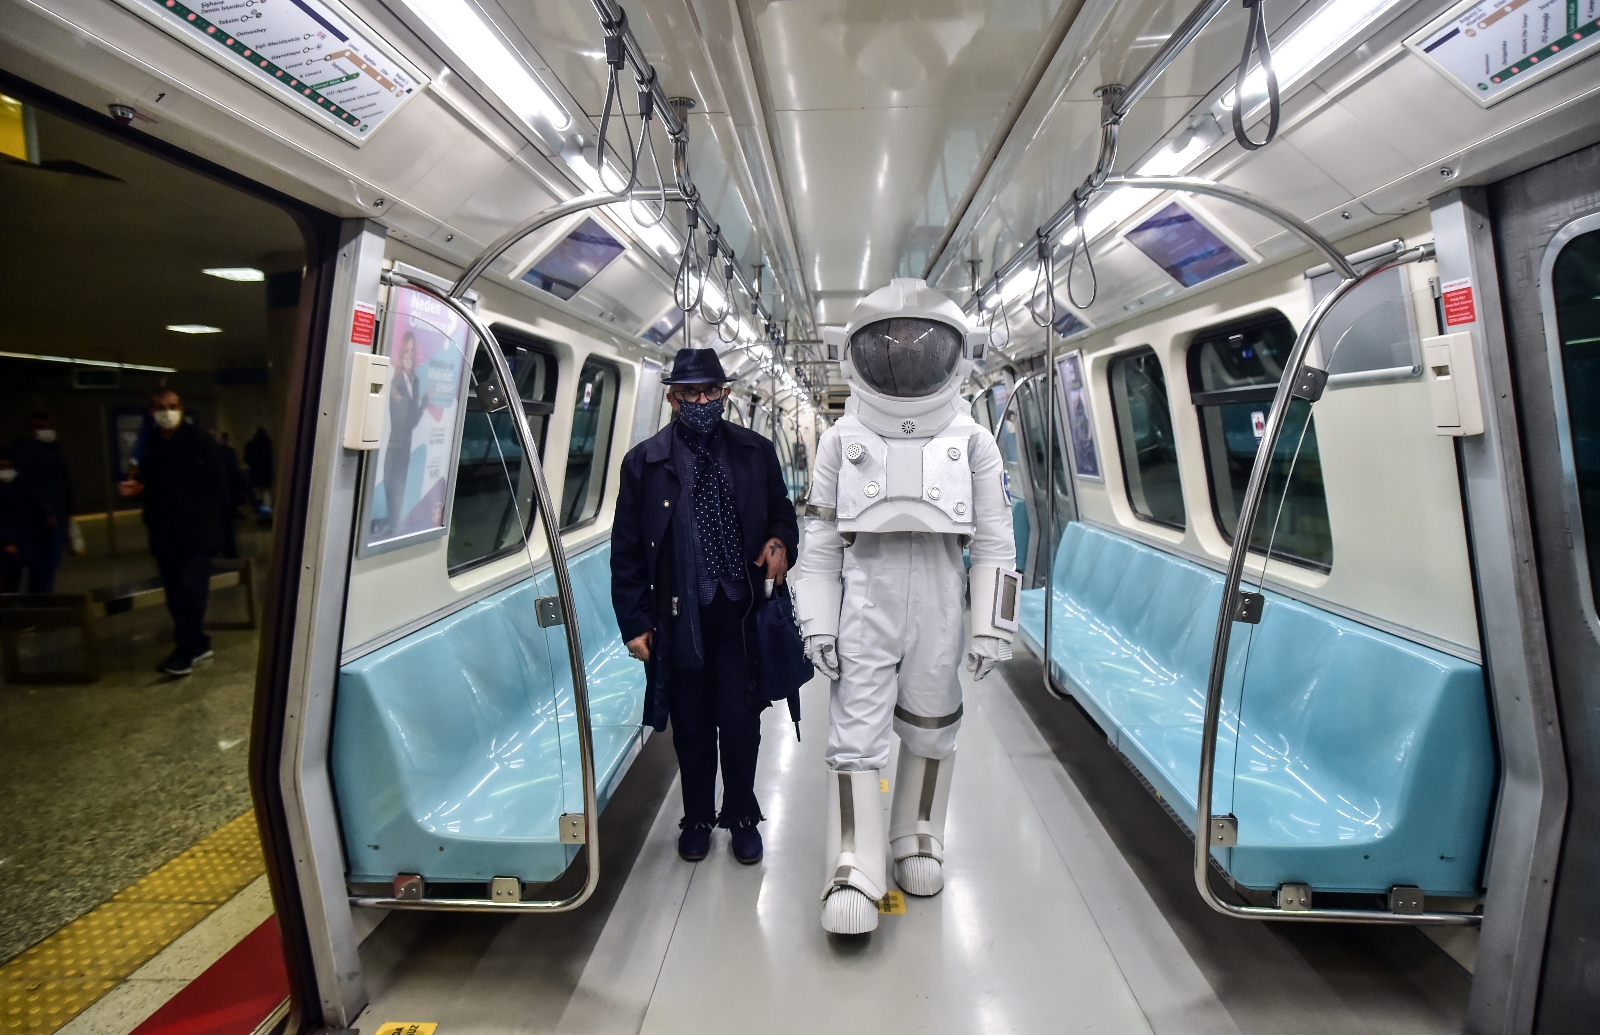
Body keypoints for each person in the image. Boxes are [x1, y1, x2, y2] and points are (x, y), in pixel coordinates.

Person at [791, 278, 1019, 935]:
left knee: (931, 716)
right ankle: (855, 863)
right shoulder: (841, 438)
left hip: (944, 590)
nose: (904, 355)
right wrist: (817, 619)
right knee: (855, 731)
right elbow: (822, 541)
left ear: (955, 353)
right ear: (858, 354)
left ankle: (917, 836)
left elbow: (997, 541)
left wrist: (992, 628)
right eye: (887, 343)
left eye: (918, 343)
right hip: (868, 589)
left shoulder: (974, 439)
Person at [611, 347, 799, 866]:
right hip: (678, 617)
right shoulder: (643, 464)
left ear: (726, 394)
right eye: (689, 393)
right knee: (691, 723)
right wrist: (634, 622)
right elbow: (626, 551)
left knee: (740, 720)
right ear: (672, 397)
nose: (700, 401)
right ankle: (696, 816)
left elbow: (784, 515)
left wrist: (781, 542)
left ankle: (740, 814)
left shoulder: (756, 452)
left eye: (710, 392)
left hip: (741, 616)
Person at [119, 389, 227, 676]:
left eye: (173, 406)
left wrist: (199, 515)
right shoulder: (150, 445)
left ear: (182, 408)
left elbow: (218, 488)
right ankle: (199, 642)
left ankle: (185, 650)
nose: (167, 411)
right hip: (164, 533)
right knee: (175, 594)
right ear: (152, 412)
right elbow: (148, 486)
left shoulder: (200, 442)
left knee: (192, 589)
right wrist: (134, 491)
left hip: (197, 534)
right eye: (161, 407)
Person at [12, 412, 75, 592]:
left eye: (48, 427)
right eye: (40, 427)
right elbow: (29, 485)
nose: (46, 431)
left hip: (58, 513)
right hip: (43, 518)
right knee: (43, 564)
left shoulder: (52, 450)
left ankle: (42, 597)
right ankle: (39, 600)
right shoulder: (27, 452)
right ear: (30, 429)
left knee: (50, 562)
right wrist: (45, 512)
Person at [381, 330, 429, 535]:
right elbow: (402, 422)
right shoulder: (395, 383)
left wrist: (425, 400)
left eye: (412, 350)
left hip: (405, 447)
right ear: (400, 354)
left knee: (399, 490)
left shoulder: (415, 382)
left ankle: (393, 527)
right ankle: (392, 526)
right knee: (392, 487)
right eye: (405, 350)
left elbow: (413, 421)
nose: (409, 355)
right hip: (394, 445)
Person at [212, 431, 251, 559]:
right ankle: (229, 554)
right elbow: (235, 475)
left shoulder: (203, 454)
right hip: (227, 497)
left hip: (212, 500)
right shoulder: (228, 453)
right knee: (228, 528)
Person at [0, 452, 33, 594]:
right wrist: (6, 542)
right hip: (6, 547)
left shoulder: (15, 487)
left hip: (16, 547)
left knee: (13, 584)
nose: (6, 470)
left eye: (9, 466)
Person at [243, 427, 274, 516]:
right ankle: (267, 512)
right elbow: (270, 460)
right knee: (266, 493)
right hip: (266, 472)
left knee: (257, 493)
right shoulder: (267, 443)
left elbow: (247, 460)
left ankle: (260, 511)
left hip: (255, 472)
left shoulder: (250, 444)